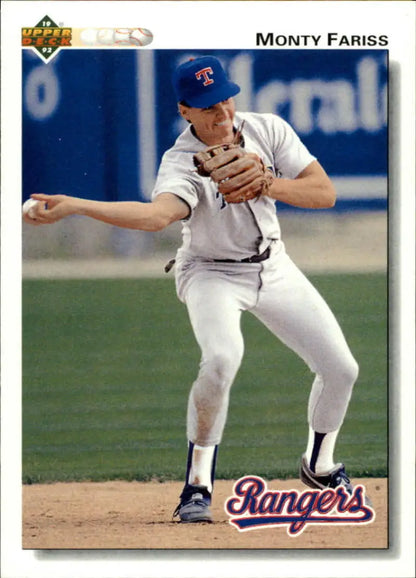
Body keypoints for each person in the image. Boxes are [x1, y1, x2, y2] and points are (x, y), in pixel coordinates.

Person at [24, 55, 360, 524]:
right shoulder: (180, 161)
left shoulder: (267, 128)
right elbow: (157, 216)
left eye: (225, 99)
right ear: (185, 110)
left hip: (274, 266)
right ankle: (196, 486)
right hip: (210, 273)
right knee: (222, 358)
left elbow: (323, 192)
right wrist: (77, 205)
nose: (222, 112)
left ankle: (320, 465)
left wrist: (269, 182)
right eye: (207, 106)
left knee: (341, 368)